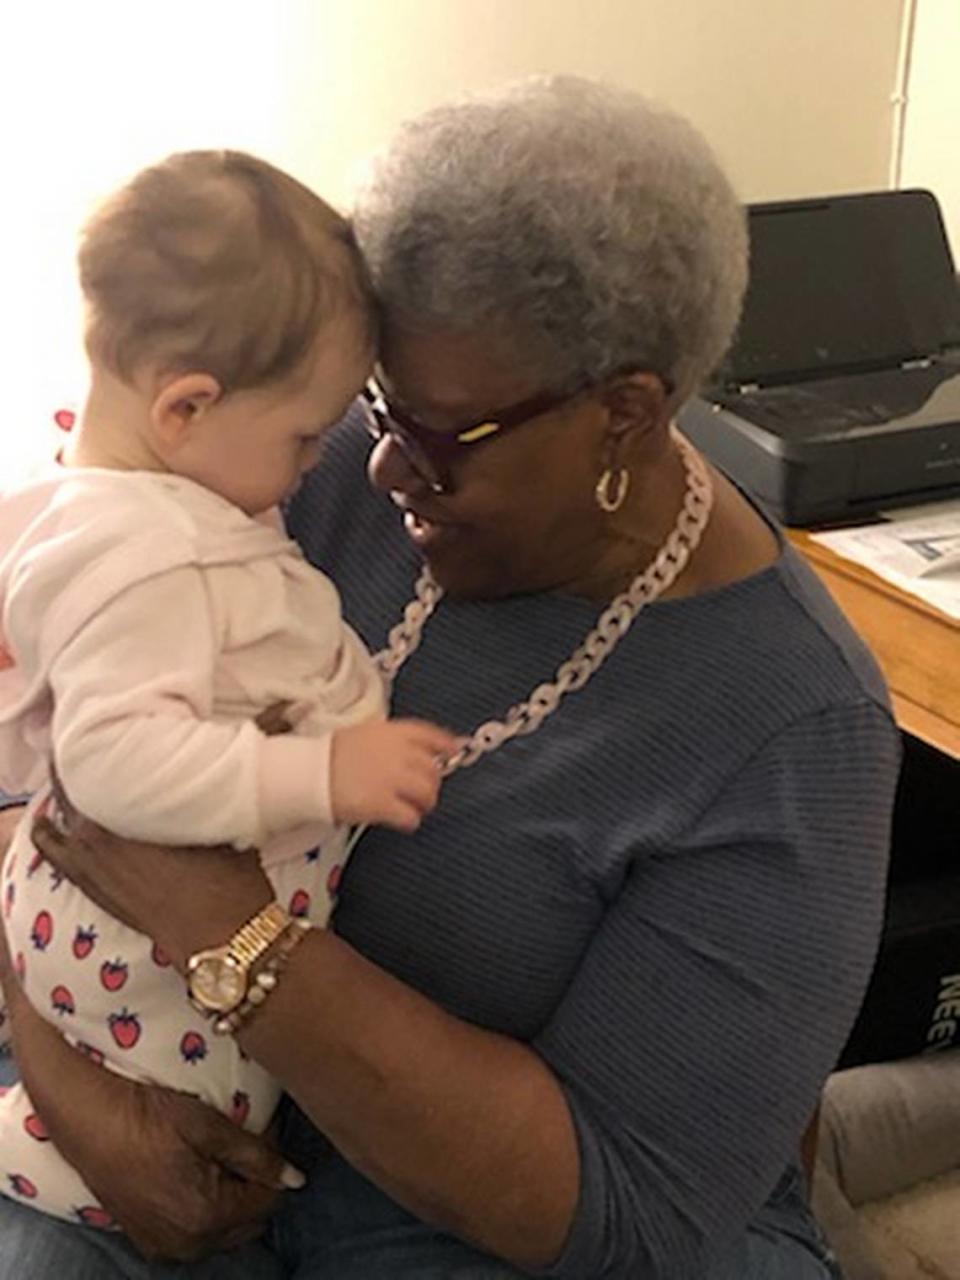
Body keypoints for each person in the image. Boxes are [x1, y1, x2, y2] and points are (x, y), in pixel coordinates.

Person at [0, 76, 900, 1279]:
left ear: (625, 412)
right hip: (140, 1059)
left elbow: (625, 1212)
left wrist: (227, 928)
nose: (373, 465)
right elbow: (43, 759)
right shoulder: (282, 459)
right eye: (371, 401)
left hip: (476, 1212)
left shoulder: (792, 724)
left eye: (430, 432)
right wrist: (74, 1097)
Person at [0, 150, 453, 1225]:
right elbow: (113, 762)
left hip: (126, 927)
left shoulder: (161, 502)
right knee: (185, 1136)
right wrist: (321, 770)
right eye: (305, 436)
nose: (321, 463)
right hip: (128, 963)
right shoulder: (145, 559)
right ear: (186, 407)